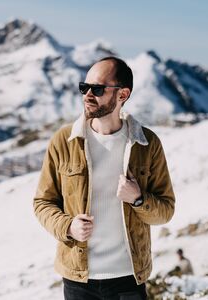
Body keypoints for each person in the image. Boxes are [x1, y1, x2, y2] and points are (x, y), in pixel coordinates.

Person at [33, 56, 176, 300]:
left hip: (128, 279)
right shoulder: (64, 141)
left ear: (122, 94)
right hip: (79, 280)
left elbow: (166, 210)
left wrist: (139, 200)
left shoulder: (147, 144)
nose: (87, 95)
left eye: (97, 89)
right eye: (84, 87)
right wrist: (67, 226)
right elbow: (42, 203)